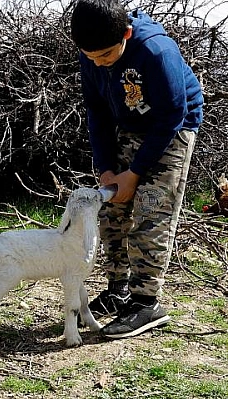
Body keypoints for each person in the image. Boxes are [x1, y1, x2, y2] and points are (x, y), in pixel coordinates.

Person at [70, 0, 203, 339]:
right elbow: (96, 113)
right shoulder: (92, 55)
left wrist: (136, 172)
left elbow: (173, 113)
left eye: (106, 56)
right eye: (91, 57)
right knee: (111, 205)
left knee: (149, 209)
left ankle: (146, 302)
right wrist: (107, 169)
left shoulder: (157, 51)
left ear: (126, 33)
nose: (99, 63)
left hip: (171, 129)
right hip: (127, 126)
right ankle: (119, 289)